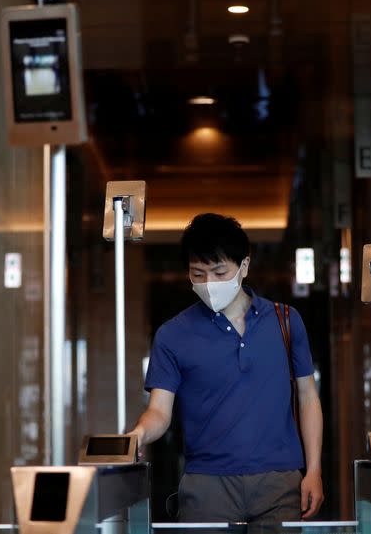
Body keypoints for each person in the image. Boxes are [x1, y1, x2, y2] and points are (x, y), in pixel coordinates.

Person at [129, 213, 324, 524]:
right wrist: (139, 434)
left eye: (220, 272)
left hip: (279, 480)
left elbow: (308, 398)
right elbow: (160, 412)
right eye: (198, 274)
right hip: (206, 485)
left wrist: (313, 470)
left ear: (244, 267)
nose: (209, 284)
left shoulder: (286, 321)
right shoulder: (172, 335)